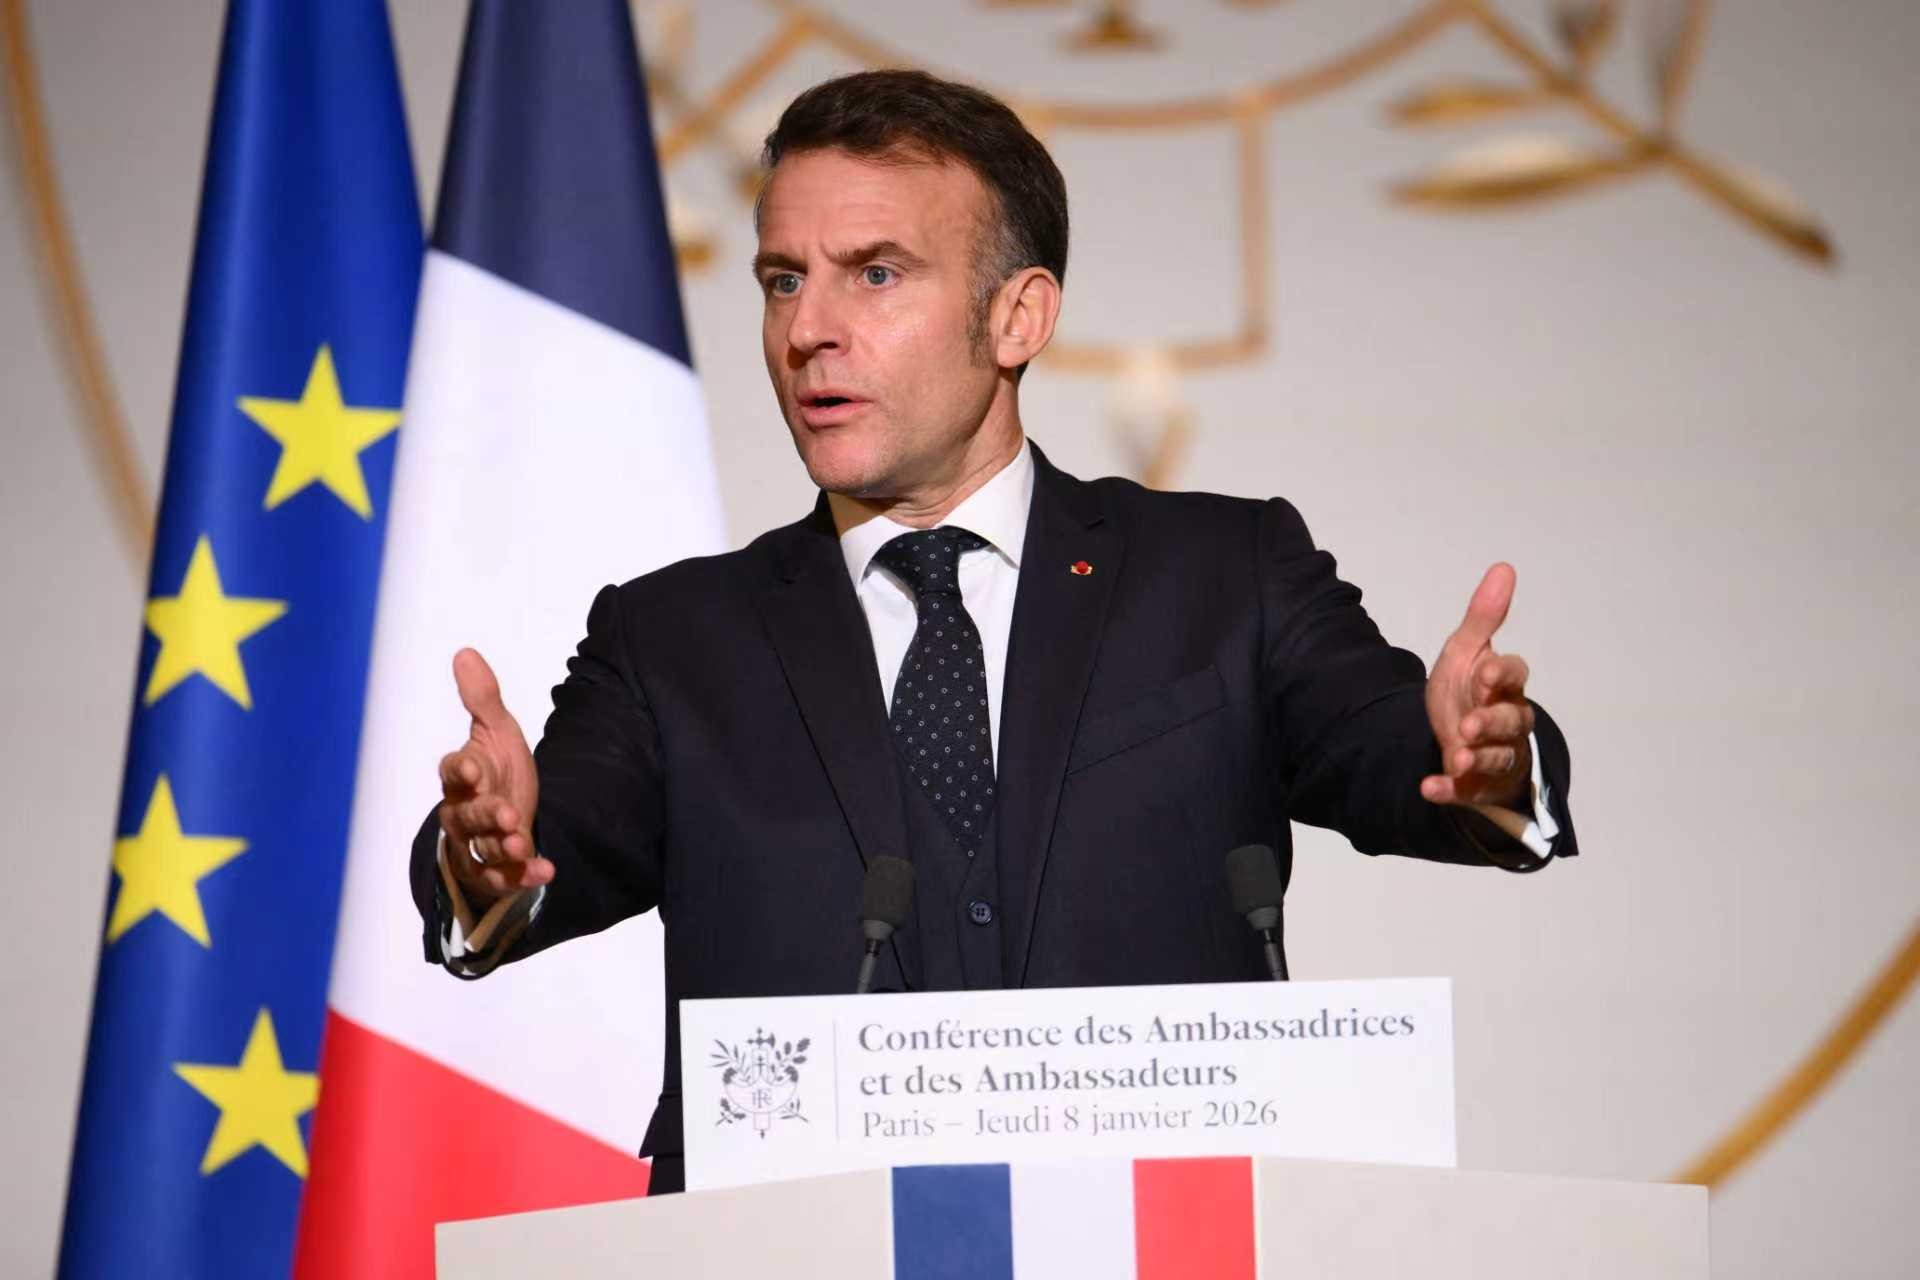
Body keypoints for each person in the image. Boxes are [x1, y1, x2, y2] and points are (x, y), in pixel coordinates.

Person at [410, 70, 1576, 1195]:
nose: (808, 328)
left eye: (874, 273)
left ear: (1018, 316)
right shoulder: (674, 637)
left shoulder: (1224, 575)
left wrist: (1485, 760)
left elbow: (1395, 753)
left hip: (1162, 1232)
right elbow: (537, 852)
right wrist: (482, 857)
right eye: (781, 279)